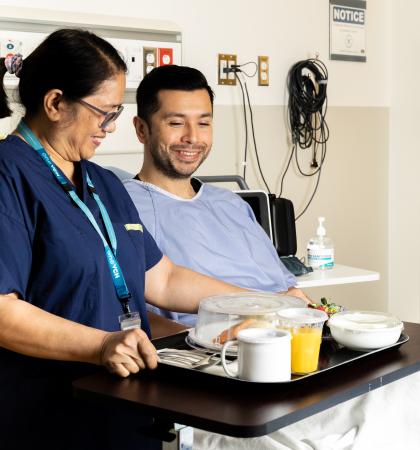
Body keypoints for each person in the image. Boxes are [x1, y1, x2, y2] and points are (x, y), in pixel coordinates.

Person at [0, 29, 248, 450]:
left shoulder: (101, 182)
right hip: (49, 414)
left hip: (126, 404)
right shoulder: (9, 176)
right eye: (104, 113)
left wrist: (258, 301)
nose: (110, 128)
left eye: (116, 113)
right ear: (56, 103)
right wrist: (101, 345)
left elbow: (163, 278)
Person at [123, 65, 309, 327]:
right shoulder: (123, 208)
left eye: (204, 123)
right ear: (142, 129)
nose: (193, 137)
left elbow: (288, 287)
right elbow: (130, 313)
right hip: (219, 348)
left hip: (289, 331)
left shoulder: (232, 204)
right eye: (176, 123)